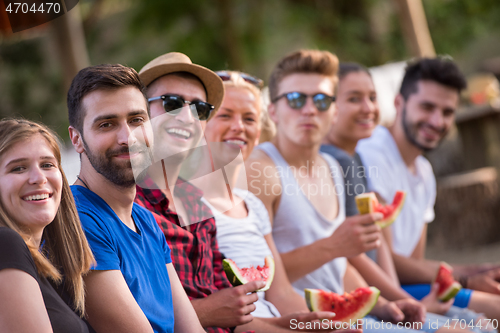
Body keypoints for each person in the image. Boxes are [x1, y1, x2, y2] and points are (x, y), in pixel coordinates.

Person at [246, 49, 473, 333]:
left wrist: (383, 304)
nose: (309, 109)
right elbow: (265, 280)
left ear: (334, 110)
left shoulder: (333, 166)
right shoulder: (260, 171)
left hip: (351, 314)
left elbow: (341, 269)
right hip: (303, 321)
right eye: (295, 99)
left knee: (479, 327)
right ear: (273, 111)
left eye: (321, 100)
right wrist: (334, 246)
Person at [321, 63, 494, 333]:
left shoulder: (422, 171)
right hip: (370, 295)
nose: (437, 121)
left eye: (447, 112)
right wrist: (465, 279)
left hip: (389, 291)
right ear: (399, 102)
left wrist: (474, 271)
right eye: (427, 107)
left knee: (484, 321)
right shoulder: (366, 156)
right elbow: (372, 254)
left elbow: (408, 257)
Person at [199, 70, 361, 333]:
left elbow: (282, 294)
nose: (239, 126)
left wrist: (326, 325)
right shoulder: (184, 207)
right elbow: (221, 315)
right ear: (200, 124)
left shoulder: (253, 205)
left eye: (249, 118)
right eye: (226, 115)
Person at [67, 64, 204, 333]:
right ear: (77, 139)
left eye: (137, 120)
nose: (127, 138)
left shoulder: (147, 221)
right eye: (106, 124)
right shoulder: (78, 221)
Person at [0, 118, 94, 333]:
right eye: (18, 168)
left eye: (47, 165)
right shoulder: (5, 243)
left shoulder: (55, 266)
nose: (39, 178)